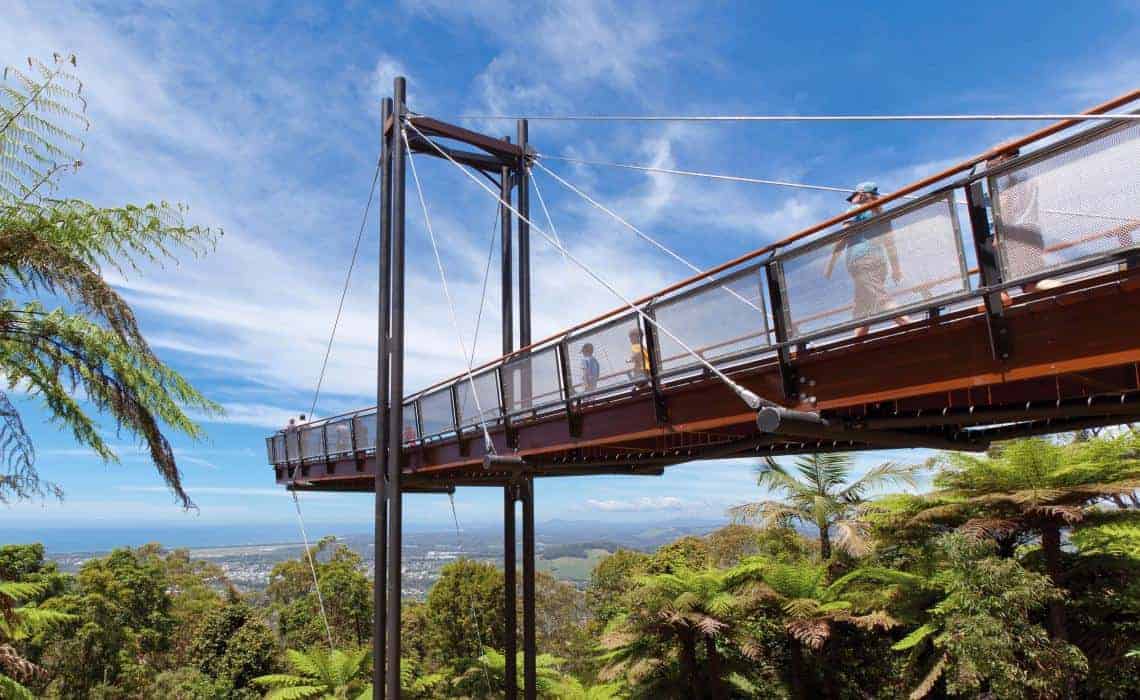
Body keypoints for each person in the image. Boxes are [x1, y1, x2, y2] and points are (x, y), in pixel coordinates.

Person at [824, 181, 911, 337]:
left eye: (854, 196)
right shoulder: (882, 214)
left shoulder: (856, 210)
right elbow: (890, 244)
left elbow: (843, 236)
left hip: (862, 261)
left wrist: (830, 265)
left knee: (881, 298)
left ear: (862, 195)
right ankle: (856, 345)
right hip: (879, 262)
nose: (852, 200)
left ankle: (913, 327)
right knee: (862, 307)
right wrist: (896, 269)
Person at [986, 149, 1058, 301]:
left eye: (992, 159)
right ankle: (1034, 284)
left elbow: (1006, 211)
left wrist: (998, 237)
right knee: (1031, 280)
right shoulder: (1026, 177)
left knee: (987, 247)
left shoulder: (1008, 183)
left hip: (1016, 238)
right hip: (1032, 236)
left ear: (1003, 159)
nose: (988, 163)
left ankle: (1000, 291)